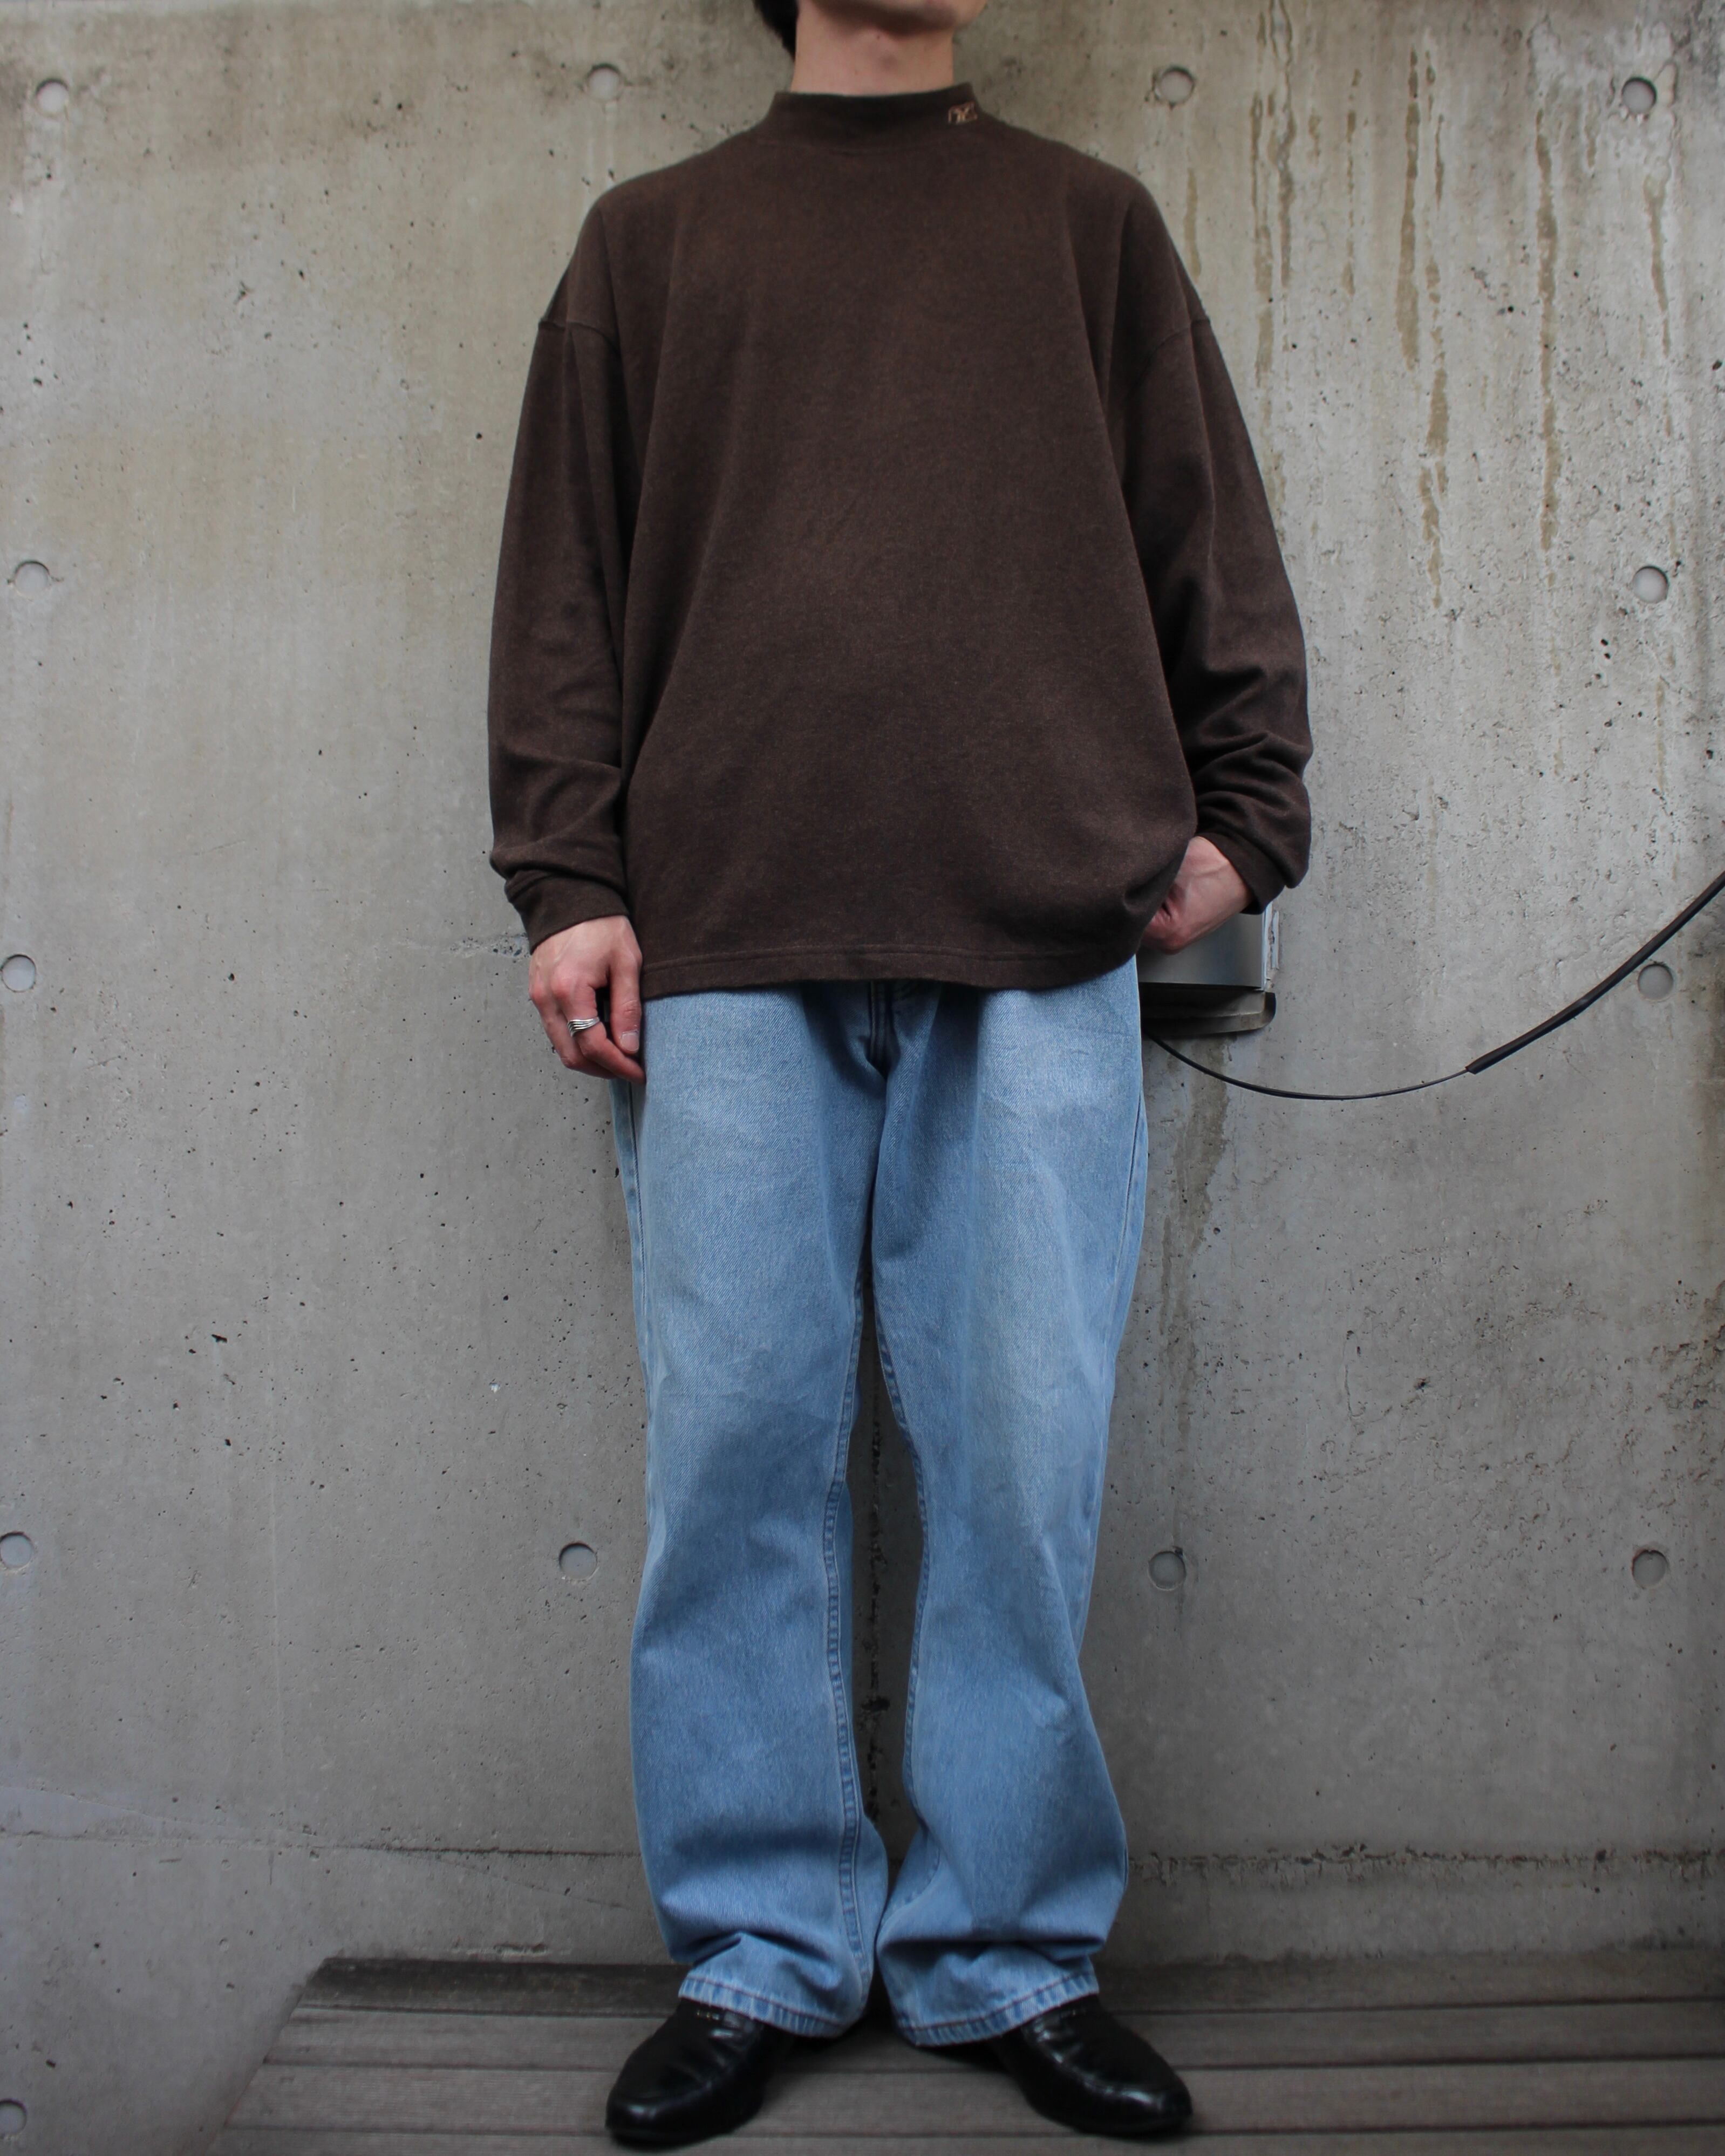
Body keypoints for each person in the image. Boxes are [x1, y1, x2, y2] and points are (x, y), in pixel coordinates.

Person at [487, 0, 1311, 2140]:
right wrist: (568, 878)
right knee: (737, 1460)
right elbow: (564, 585)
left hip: (1039, 938)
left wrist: (1246, 823)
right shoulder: (653, 238)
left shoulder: (1087, 227)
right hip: (725, 938)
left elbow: (1206, 540)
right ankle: (760, 1948)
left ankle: (1006, 1950)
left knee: (1019, 1465)